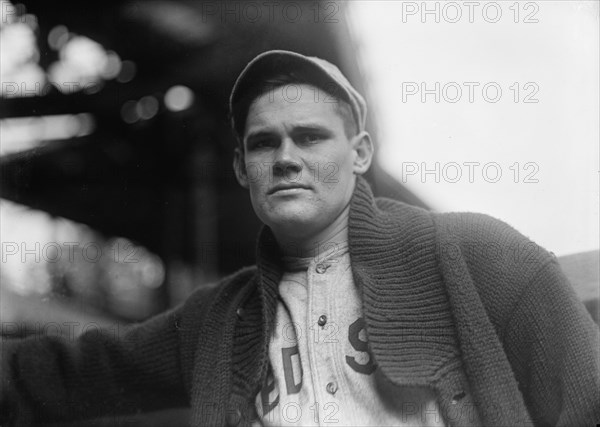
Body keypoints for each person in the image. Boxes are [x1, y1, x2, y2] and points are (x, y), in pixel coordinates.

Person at [1, 50, 599, 427]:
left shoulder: (470, 256)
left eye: (310, 137)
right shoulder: (219, 321)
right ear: (241, 168)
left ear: (360, 153)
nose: (286, 158)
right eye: (264, 143)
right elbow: (64, 376)